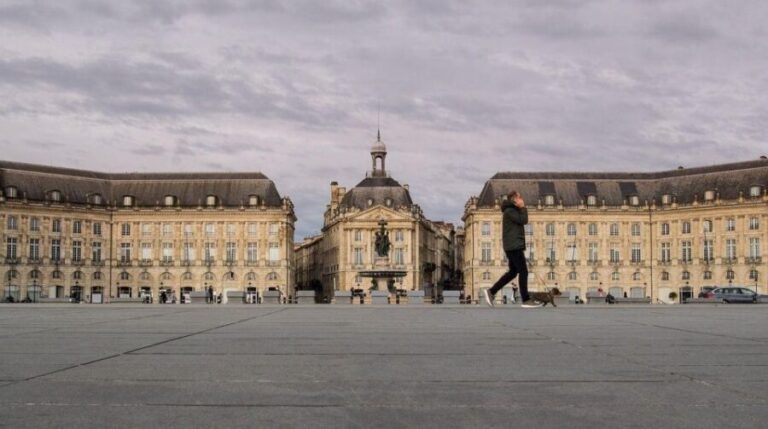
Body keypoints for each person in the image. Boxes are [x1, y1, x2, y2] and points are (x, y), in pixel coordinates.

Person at [483, 191, 542, 308]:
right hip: (514, 246)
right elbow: (523, 220)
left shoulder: (511, 210)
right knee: (523, 271)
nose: (522, 199)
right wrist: (523, 207)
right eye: (520, 197)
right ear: (514, 200)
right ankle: (525, 300)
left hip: (513, 245)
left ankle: (491, 292)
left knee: (512, 272)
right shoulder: (510, 211)